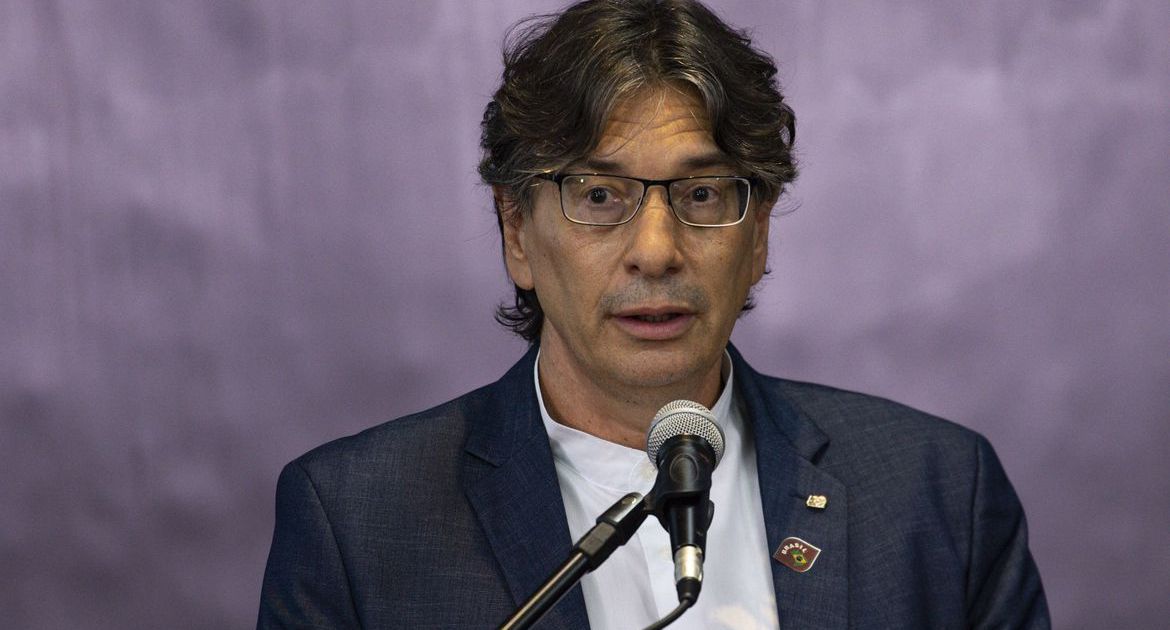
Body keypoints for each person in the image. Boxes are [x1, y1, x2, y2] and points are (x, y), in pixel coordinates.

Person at [258, 1, 1049, 628]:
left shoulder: (937, 492)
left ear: (759, 233)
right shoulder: (356, 522)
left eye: (702, 194)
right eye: (601, 195)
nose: (657, 250)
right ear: (516, 232)